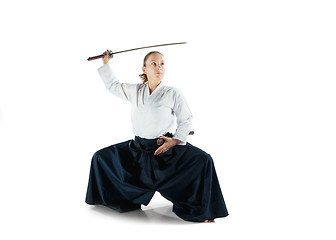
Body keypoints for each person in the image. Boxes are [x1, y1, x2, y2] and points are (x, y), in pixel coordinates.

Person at [85, 50, 229, 222]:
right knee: (100, 157)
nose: (159, 67)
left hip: (164, 150)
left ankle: (203, 210)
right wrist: (106, 63)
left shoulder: (172, 93)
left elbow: (186, 119)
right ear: (144, 69)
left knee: (204, 160)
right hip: (138, 151)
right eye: (153, 63)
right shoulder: (135, 90)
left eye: (162, 63)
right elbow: (113, 86)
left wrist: (175, 140)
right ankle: (103, 197)